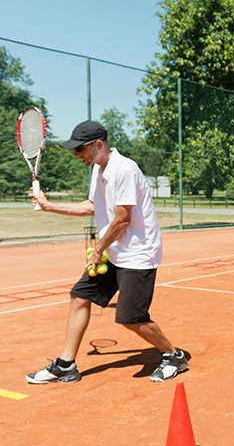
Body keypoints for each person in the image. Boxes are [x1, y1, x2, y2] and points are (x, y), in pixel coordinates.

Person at [26, 121, 188, 384]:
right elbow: (92, 205)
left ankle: (173, 355)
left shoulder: (124, 169)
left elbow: (122, 219)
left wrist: (97, 249)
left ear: (98, 145)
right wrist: (49, 206)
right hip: (115, 252)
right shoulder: (98, 170)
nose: (77, 154)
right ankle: (66, 364)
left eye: (80, 149)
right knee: (79, 297)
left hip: (138, 254)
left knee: (131, 318)